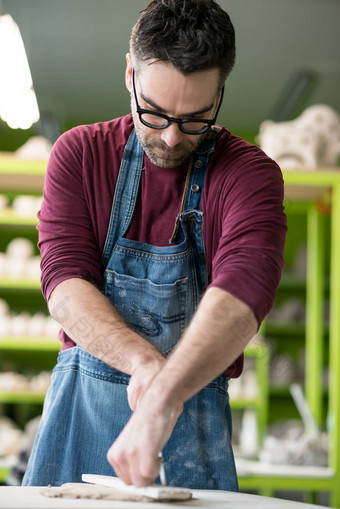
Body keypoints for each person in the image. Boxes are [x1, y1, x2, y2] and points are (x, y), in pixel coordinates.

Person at [22, 0, 287, 490]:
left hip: (194, 427)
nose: (169, 137)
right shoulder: (79, 155)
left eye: (195, 119)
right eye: (154, 113)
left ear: (220, 93)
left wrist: (164, 396)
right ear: (130, 73)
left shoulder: (249, 173)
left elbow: (245, 291)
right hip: (80, 414)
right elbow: (63, 282)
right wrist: (145, 365)